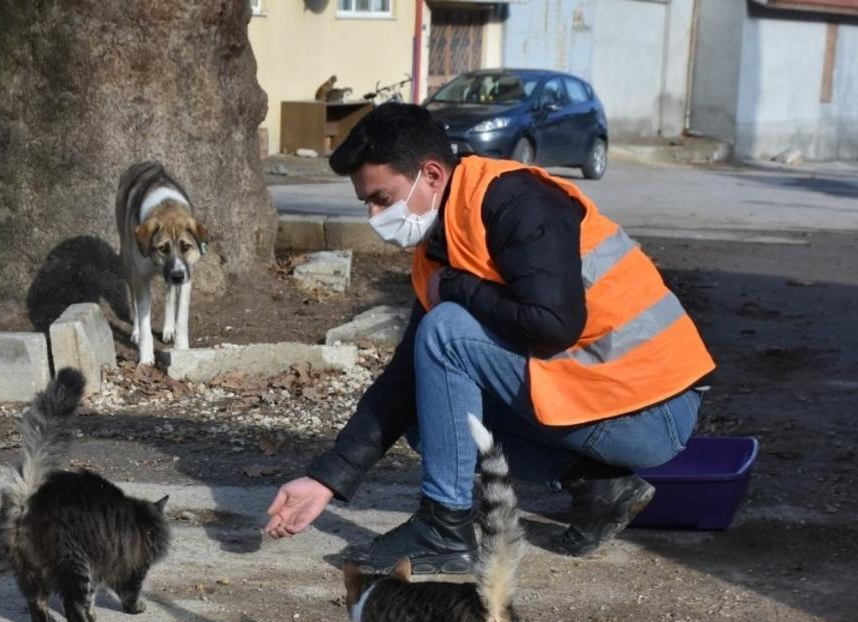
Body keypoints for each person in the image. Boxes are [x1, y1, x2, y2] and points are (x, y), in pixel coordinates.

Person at [263, 103, 715, 574]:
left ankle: (444, 528)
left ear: (431, 175)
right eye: (367, 203)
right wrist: (327, 479)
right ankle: (598, 485)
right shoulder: (446, 238)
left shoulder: (517, 202)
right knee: (425, 411)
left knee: (445, 331)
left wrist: (458, 288)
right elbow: (401, 380)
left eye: (382, 198)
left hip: (654, 410)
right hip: (605, 395)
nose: (375, 215)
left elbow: (553, 325)